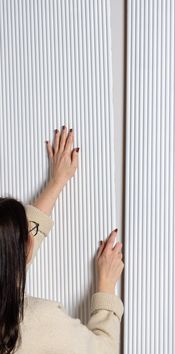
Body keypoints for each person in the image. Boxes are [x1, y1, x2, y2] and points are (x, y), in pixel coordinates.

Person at [0, 126, 124, 354]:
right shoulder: (37, 322)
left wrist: (56, 182)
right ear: (27, 245)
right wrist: (106, 287)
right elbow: (103, 350)